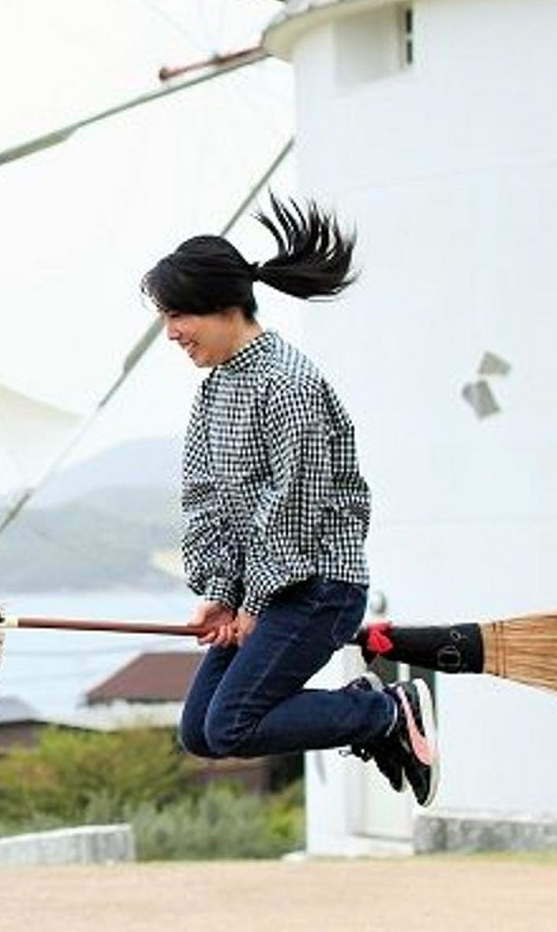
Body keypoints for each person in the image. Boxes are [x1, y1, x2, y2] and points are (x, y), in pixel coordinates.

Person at [144, 195, 439, 805]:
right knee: (200, 730)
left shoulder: (289, 384)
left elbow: (295, 507)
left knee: (232, 725)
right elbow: (206, 501)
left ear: (224, 307)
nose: (171, 332)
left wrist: (256, 601)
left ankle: (385, 712)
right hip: (268, 592)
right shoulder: (214, 390)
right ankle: (377, 719)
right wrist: (220, 596)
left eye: (178, 314)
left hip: (317, 590)